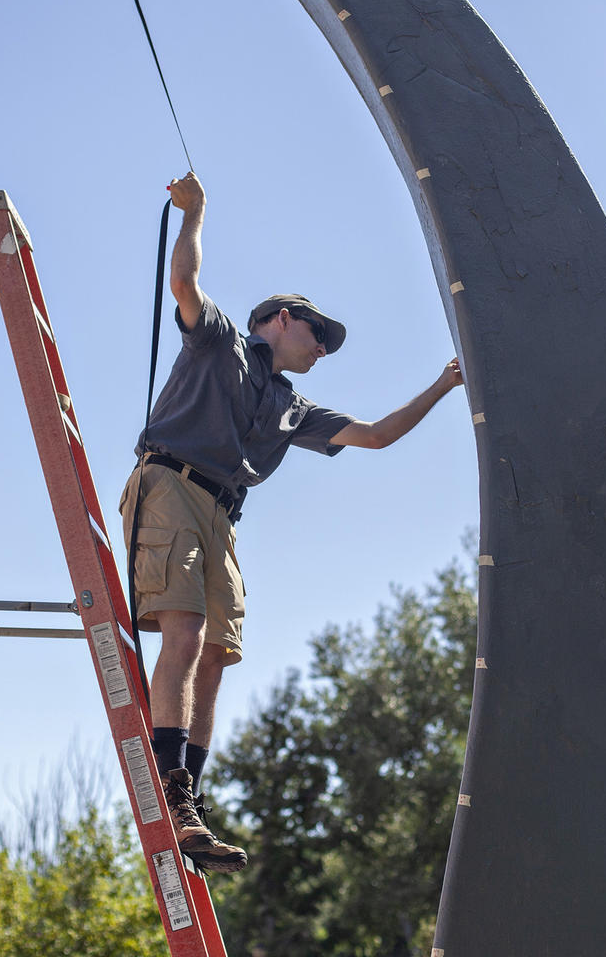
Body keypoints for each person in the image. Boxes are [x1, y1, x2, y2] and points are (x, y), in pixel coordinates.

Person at [120, 171, 464, 872]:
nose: (323, 348)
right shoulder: (222, 344)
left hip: (222, 515)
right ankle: (169, 790)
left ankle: (191, 810)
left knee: (217, 654)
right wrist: (196, 212)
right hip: (173, 486)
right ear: (279, 320)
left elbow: (374, 435)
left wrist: (446, 382)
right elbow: (184, 284)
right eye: (318, 333)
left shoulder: (290, 405)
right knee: (183, 634)